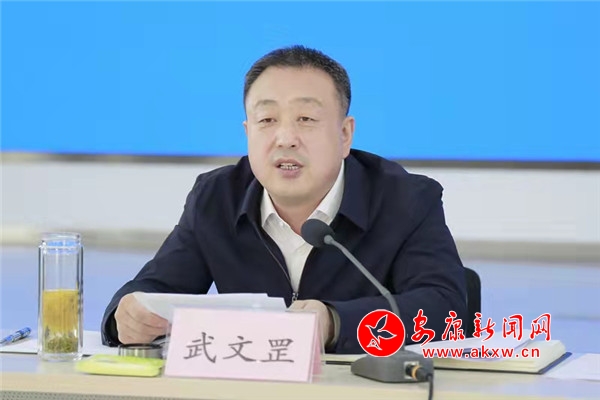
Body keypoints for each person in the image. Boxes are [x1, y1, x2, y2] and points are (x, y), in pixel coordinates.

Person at [101, 45, 467, 354]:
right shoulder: (216, 198)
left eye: (305, 118)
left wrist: (335, 323)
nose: (286, 137)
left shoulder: (407, 200)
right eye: (267, 120)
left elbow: (446, 309)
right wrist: (125, 315)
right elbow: (153, 290)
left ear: (344, 134)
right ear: (248, 132)